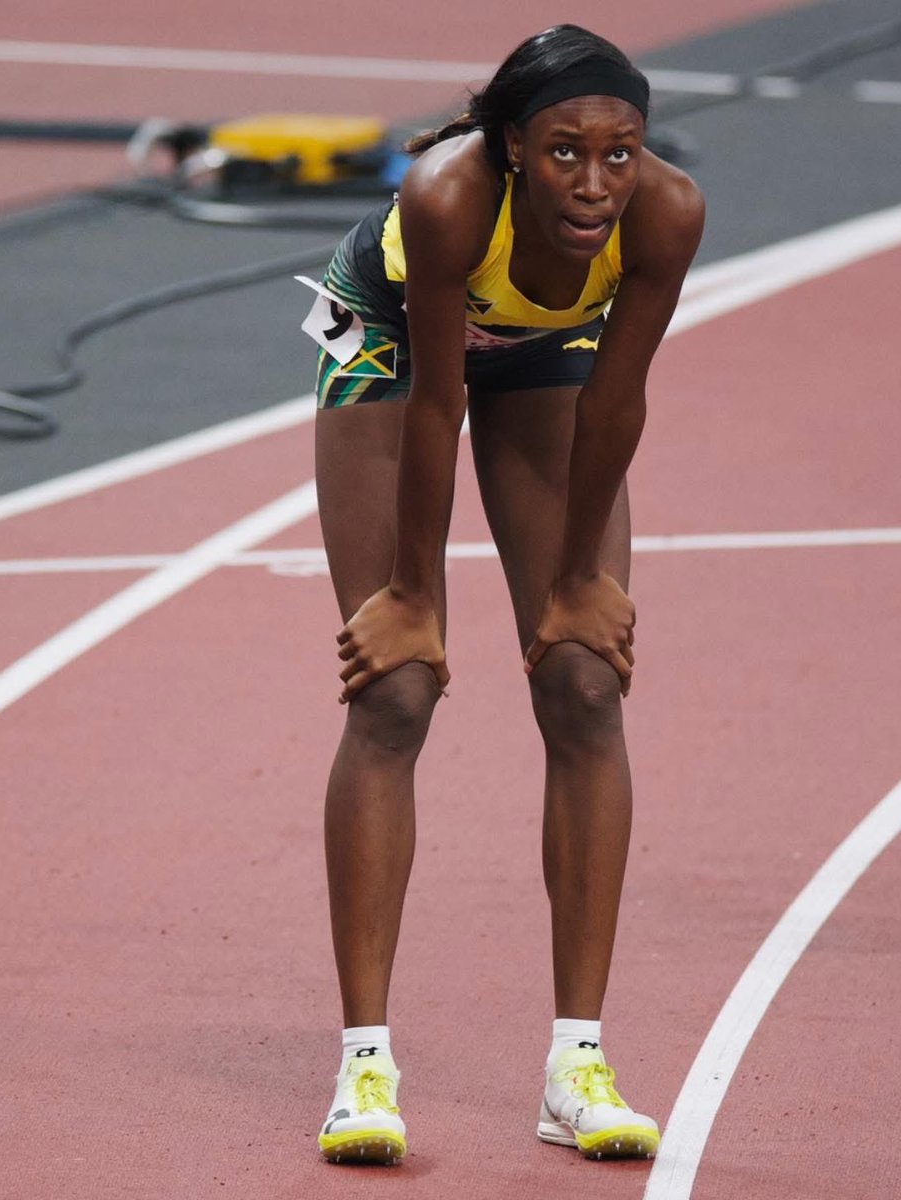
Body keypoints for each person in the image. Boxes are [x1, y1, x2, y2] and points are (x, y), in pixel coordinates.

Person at [306, 23, 704, 1165]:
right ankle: (362, 1068)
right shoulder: (447, 197)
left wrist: (578, 582)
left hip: (546, 351)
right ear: (515, 147)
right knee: (395, 692)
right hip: (391, 346)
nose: (595, 182)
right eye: (567, 152)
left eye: (618, 154)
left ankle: (576, 1066)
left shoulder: (666, 214)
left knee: (585, 686)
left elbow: (618, 404)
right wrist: (413, 598)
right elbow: (437, 408)